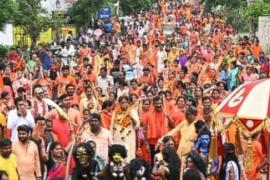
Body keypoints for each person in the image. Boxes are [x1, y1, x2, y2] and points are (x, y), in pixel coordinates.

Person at [111, 96, 139, 161]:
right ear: (119, 103)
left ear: (128, 103)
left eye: (125, 102)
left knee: (129, 154)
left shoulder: (132, 111)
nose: (124, 104)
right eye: (122, 102)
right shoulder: (115, 112)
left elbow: (137, 126)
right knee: (118, 154)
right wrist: (111, 135)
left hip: (129, 137)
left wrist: (131, 117)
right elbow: (112, 125)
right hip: (117, 136)